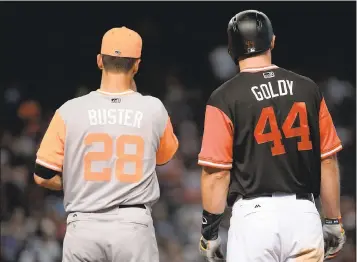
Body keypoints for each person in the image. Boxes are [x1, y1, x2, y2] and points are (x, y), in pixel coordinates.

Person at [198, 10, 346, 262]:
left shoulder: (223, 97)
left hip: (254, 220)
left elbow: (217, 173)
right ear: (272, 41)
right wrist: (332, 220)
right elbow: (328, 161)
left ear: (231, 50)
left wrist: (210, 232)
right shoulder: (307, 88)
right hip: (304, 215)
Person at [33, 27, 178, 262]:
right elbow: (164, 157)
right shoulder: (153, 109)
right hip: (132, 225)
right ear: (137, 65)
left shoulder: (70, 110)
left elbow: (42, 175)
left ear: (100, 61)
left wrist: (79, 184)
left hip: (84, 224)